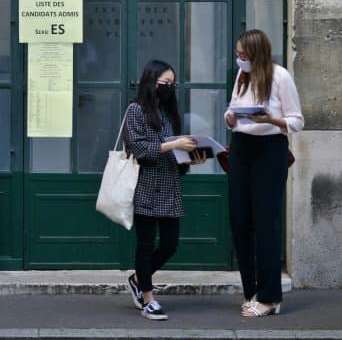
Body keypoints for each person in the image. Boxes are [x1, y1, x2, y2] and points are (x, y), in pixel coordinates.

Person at [224, 29, 304, 318]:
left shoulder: (280, 76)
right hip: (242, 147)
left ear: (257, 53)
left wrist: (270, 119)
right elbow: (232, 110)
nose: (239, 59)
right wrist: (230, 117)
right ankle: (251, 292)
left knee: (265, 223)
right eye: (237, 54)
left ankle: (270, 297)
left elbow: (297, 121)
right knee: (239, 220)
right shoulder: (242, 76)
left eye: (243, 55)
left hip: (270, 148)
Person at [123, 60, 206, 320]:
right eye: (164, 84)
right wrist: (172, 146)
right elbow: (139, 148)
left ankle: (137, 279)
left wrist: (191, 159)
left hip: (169, 185)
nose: (169, 88)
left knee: (170, 245)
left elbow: (176, 154)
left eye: (172, 84)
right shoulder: (135, 110)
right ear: (151, 83)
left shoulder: (170, 114)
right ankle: (148, 298)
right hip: (146, 185)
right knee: (146, 245)